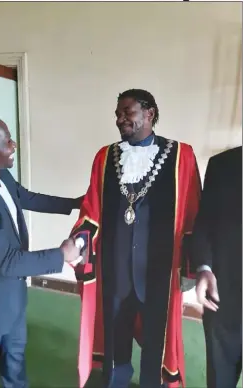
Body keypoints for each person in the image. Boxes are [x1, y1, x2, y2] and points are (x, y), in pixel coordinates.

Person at [69, 89, 201, 388]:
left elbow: (192, 211)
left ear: (149, 113)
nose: (120, 119)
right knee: (116, 333)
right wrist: (79, 242)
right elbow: (92, 207)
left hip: (159, 270)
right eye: (118, 114)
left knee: (157, 337)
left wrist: (193, 268)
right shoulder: (105, 156)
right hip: (114, 268)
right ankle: (116, 378)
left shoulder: (182, 155)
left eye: (127, 112)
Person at [0, 111, 84, 388]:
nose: (13, 146)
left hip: (13, 294)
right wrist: (61, 255)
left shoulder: (2, 177)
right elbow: (6, 261)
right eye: (6, 142)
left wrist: (75, 203)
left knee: (15, 357)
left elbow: (26, 197)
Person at [192, 146, 242, 388]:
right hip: (222, 294)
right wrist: (204, 268)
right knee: (220, 379)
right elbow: (203, 224)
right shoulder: (222, 164)